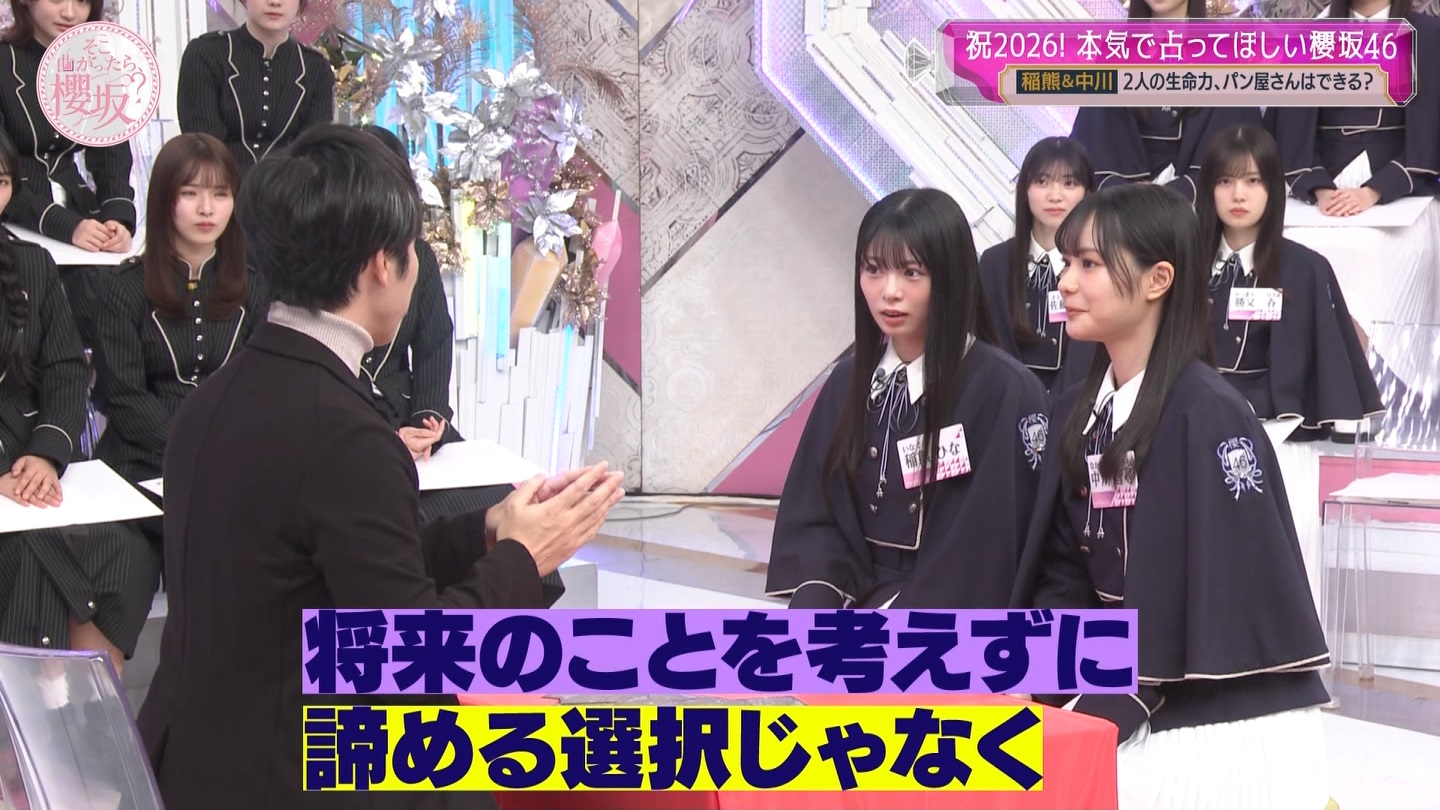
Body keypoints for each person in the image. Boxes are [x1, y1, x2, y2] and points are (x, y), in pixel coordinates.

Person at [134, 125, 624, 810]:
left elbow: (330, 566)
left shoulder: (215, 398)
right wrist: (524, 556)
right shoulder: (344, 434)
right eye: (413, 249)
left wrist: (487, 529)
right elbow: (411, 660)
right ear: (380, 267)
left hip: (195, 763)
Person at [1010, 183, 1332, 808]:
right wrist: (1042, 679)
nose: (1065, 283)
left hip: (1219, 717)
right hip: (1126, 682)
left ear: (1158, 279)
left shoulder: (1207, 413)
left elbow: (1210, 590)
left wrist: (1102, 705)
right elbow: (1065, 570)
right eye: (1066, 262)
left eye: (1089, 264)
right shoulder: (1077, 410)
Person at [765, 188, 1050, 609]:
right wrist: (819, 601)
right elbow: (816, 518)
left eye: (911, 272)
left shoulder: (1006, 392)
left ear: (951, 277)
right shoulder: (847, 382)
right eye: (873, 269)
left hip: (944, 614)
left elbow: (985, 548)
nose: (889, 291)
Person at [358, 124, 567, 603]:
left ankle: (519, 619)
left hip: (415, 424)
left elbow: (435, 341)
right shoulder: (325, 267)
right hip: (362, 435)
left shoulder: (418, 257)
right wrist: (386, 442)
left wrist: (427, 419)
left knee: (501, 507)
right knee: (412, 519)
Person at [91, 133, 271, 615]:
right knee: (126, 566)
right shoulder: (123, 289)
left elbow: (265, 389)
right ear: (164, 200)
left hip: (234, 460)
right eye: (190, 193)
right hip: (142, 463)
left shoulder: (256, 289)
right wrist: (196, 449)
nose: (207, 208)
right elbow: (123, 398)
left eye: (220, 194)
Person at [0, 129, 145, 677]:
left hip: (30, 451)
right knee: (25, 550)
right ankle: (47, 710)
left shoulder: (33, 263)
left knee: (120, 548)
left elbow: (64, 367)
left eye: (0, 181)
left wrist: (44, 453)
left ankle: (90, 714)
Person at [1195, 123, 1384, 435]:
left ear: (1272, 187)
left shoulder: (1306, 269)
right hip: (1192, 418)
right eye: (1225, 181)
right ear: (1209, 189)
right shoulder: (1184, 264)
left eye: (1253, 181)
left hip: (1279, 429)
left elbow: (1324, 373)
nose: (1238, 195)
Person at [0, 0, 137, 348]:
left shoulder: (96, 65)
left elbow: (111, 154)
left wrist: (117, 218)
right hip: (13, 212)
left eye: (82, 1)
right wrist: (66, 225)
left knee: (111, 310)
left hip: (78, 208)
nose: (70, 13)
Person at [1068, 0, 1263, 206]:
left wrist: (1175, 193)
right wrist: (1130, 195)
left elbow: (1236, 140)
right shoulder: (1115, 48)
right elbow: (1094, 138)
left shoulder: (1223, 48)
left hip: (1198, 197)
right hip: (1121, 203)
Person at [1267, 0, 1439, 216]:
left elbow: (1428, 139)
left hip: (1404, 191)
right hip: (1321, 190)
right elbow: (1291, 134)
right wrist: (1320, 189)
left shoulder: (1428, 34)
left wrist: (1374, 191)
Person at [980, 136, 1099, 394]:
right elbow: (986, 345)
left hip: (1076, 404)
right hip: (1004, 399)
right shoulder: (994, 263)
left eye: (1069, 183)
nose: (1055, 196)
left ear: (1088, 193)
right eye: (1042, 182)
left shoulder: (1100, 267)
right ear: (1024, 190)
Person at [177, 0, 335, 179]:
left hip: (289, 193)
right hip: (219, 190)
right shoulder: (206, 54)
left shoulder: (316, 69)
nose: (275, 2)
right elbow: (204, 149)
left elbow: (313, 157)